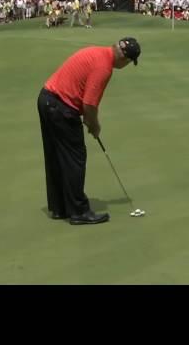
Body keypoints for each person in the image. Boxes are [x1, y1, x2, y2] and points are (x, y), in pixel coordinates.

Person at [37, 37, 141, 225]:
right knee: (75, 158)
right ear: (125, 59)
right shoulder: (104, 67)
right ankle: (78, 212)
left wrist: (89, 121)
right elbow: (89, 104)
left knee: (57, 157)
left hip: (46, 99)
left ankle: (60, 207)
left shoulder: (96, 51)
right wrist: (95, 126)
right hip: (61, 107)